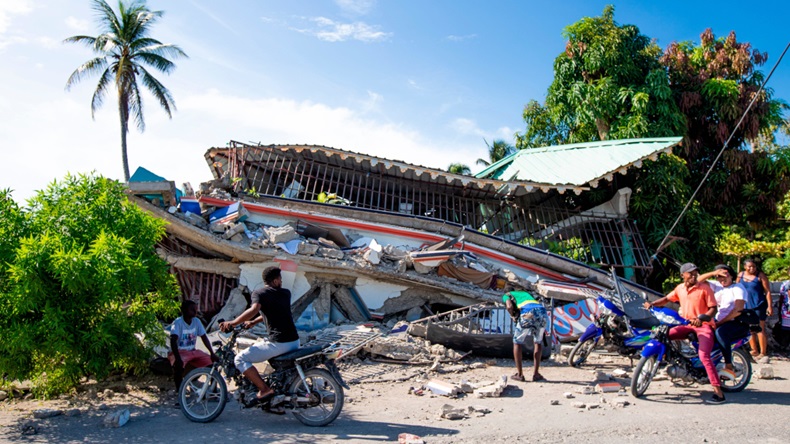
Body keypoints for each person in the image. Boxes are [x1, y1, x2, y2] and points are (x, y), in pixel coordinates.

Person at [644, 263, 724, 403]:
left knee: (704, 356)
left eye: (695, 273)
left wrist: (702, 318)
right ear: (683, 275)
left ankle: (718, 392)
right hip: (686, 324)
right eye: (690, 273)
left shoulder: (705, 288)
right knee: (663, 335)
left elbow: (713, 309)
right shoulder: (680, 288)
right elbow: (667, 299)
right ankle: (676, 362)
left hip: (703, 325)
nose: (694, 275)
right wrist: (652, 304)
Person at [219, 266, 300, 402]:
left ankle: (264, 389)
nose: (281, 281)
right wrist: (253, 322)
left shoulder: (260, 294)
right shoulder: (286, 293)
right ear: (274, 281)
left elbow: (255, 309)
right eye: (280, 278)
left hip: (279, 343)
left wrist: (233, 322)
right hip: (294, 342)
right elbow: (273, 311)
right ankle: (276, 402)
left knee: (240, 359)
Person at [698, 264, 747, 381]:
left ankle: (728, 365)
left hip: (735, 322)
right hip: (718, 321)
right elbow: (698, 281)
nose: (722, 279)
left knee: (720, 333)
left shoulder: (738, 288)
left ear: (731, 275)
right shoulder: (717, 286)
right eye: (719, 277)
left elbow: (737, 310)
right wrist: (713, 273)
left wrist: (719, 324)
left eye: (725, 275)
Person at [169, 300, 219, 402]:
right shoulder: (178, 323)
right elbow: (173, 341)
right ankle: (180, 395)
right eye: (192, 309)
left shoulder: (196, 321)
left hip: (192, 351)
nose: (195, 312)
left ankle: (213, 392)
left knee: (212, 364)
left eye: (195, 309)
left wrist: (212, 353)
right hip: (179, 351)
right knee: (178, 367)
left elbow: (204, 337)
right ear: (184, 310)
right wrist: (177, 357)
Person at [504, 289, 548, 382]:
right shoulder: (527, 294)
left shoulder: (507, 295)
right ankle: (536, 374)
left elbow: (509, 306)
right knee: (538, 342)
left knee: (517, 342)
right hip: (542, 312)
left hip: (527, 312)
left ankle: (520, 374)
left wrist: (512, 316)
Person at [736, 258, 772, 360]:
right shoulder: (741, 275)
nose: (752, 268)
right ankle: (754, 350)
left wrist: (769, 306)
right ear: (745, 267)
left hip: (758, 305)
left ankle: (763, 352)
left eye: (754, 266)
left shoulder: (760, 276)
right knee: (749, 329)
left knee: (760, 329)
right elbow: (736, 288)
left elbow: (767, 291)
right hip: (746, 306)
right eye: (749, 266)